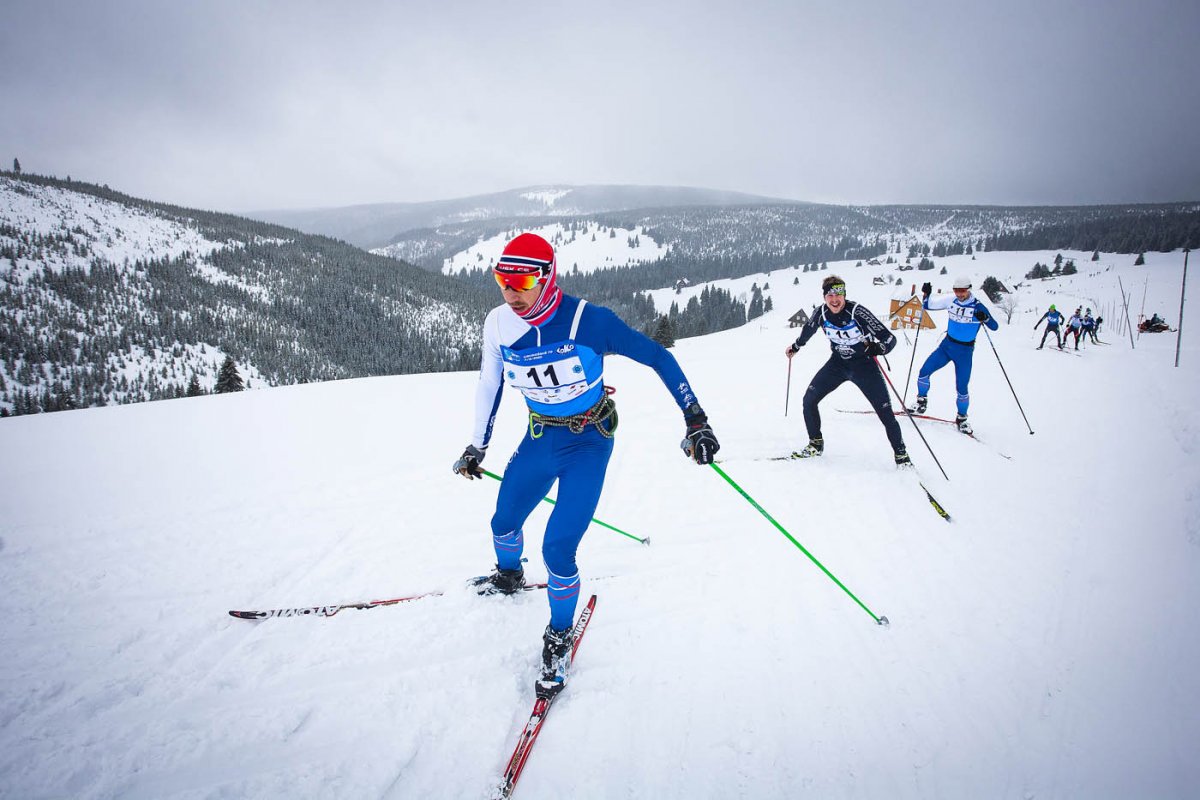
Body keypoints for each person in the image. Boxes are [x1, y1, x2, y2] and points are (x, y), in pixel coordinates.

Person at [452, 232, 718, 699]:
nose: (512, 293)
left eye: (522, 282)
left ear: (548, 277)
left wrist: (695, 418)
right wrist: (478, 446)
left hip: (588, 443)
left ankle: (558, 634)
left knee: (558, 548)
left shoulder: (588, 321)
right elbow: (489, 382)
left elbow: (657, 356)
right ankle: (509, 574)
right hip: (539, 438)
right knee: (503, 520)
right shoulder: (498, 324)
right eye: (502, 281)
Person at [784, 275, 910, 465]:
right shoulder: (821, 313)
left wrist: (880, 348)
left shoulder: (857, 312)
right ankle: (815, 443)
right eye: (830, 295)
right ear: (824, 297)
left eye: (839, 295)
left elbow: (890, 339)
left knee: (885, 412)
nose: (835, 300)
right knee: (809, 400)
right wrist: (796, 346)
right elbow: (808, 330)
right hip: (838, 364)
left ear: (844, 295)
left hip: (864, 366)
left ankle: (902, 455)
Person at [909, 277, 999, 435]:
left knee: (962, 388)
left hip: (964, 352)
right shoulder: (951, 300)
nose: (959, 294)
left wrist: (985, 318)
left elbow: (994, 326)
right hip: (947, 346)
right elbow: (928, 306)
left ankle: (962, 418)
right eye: (957, 290)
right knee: (924, 372)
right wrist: (926, 294)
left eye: (962, 291)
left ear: (969, 289)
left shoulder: (978, 306)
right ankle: (921, 402)